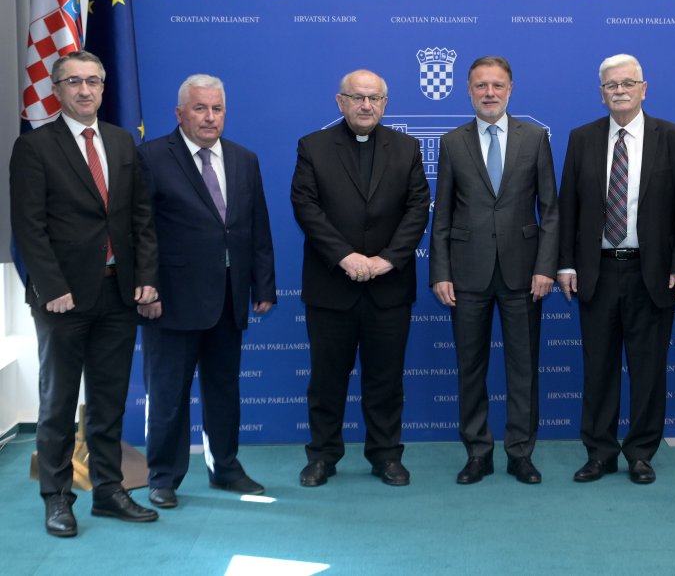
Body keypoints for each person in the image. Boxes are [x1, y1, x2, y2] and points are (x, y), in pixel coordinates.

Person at [10, 50, 160, 536]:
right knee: (57, 403)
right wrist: (51, 287)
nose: (84, 89)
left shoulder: (120, 141)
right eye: (73, 81)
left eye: (93, 81)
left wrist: (146, 275)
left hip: (118, 293)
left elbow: (140, 217)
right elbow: (28, 227)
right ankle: (57, 497)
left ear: (103, 87)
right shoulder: (34, 147)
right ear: (57, 89)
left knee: (108, 399)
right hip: (63, 300)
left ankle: (109, 490)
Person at [136, 75, 277, 509]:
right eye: (200, 108)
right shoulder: (151, 157)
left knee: (224, 390)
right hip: (170, 300)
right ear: (180, 113)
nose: (209, 117)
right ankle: (163, 476)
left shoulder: (243, 159)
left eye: (217, 109)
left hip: (228, 298)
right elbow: (139, 229)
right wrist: (148, 287)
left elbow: (256, 226)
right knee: (168, 395)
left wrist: (263, 284)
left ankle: (225, 468)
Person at [557, 54, 675, 484]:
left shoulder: (674, 138)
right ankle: (599, 453)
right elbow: (569, 208)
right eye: (611, 85)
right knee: (598, 369)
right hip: (596, 272)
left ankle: (640, 453)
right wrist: (565, 264)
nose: (619, 91)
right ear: (601, 94)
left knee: (648, 371)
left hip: (651, 273)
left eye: (627, 83)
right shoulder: (582, 139)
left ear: (644, 89)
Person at [291, 69, 430, 487]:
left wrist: (388, 259)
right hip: (331, 287)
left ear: (385, 104)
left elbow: (417, 209)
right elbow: (306, 207)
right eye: (357, 97)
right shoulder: (313, 146)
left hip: (389, 287)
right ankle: (322, 456)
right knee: (326, 381)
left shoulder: (406, 148)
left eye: (374, 98)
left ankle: (386, 455)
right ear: (341, 102)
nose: (366, 105)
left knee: (386, 382)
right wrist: (345, 256)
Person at [430, 56, 559, 485]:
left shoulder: (535, 138)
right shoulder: (452, 142)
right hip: (467, 274)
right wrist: (440, 272)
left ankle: (520, 453)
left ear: (510, 89)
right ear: (469, 91)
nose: (489, 93)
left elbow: (550, 210)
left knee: (524, 369)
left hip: (524, 274)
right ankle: (477, 453)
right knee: (470, 369)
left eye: (497, 85)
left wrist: (546, 266)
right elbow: (442, 215)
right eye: (481, 85)